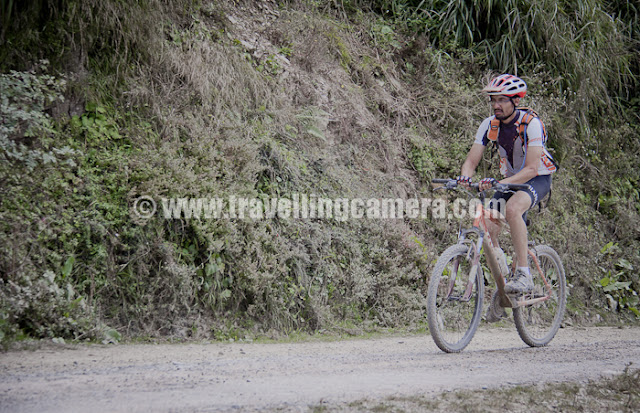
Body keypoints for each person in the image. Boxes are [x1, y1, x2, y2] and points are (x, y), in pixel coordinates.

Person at [457, 74, 557, 299]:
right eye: (493, 100)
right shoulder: (489, 124)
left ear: (516, 101)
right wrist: (465, 177)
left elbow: (531, 169)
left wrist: (499, 183)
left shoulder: (531, 124)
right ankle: (505, 286)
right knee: (487, 223)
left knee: (513, 209)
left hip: (537, 177)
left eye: (502, 100)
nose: (496, 105)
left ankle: (524, 273)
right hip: (511, 179)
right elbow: (471, 162)